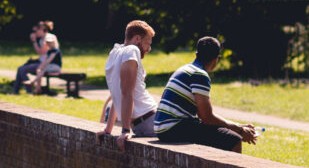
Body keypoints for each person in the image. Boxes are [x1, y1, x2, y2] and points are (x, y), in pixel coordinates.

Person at [153, 36, 258, 152]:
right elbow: (207, 118)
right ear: (217, 59)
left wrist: (237, 126)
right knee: (234, 140)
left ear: (196, 54)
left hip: (163, 127)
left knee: (221, 134)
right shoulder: (199, 75)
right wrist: (240, 131)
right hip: (173, 128)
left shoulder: (185, 69)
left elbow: (205, 117)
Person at [97, 20, 157, 151]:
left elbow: (116, 94)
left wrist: (108, 129)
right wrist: (125, 130)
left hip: (144, 122)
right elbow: (125, 92)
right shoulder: (132, 50)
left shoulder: (115, 52)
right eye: (147, 43)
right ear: (137, 39)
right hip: (150, 120)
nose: (149, 49)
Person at [22, 21, 62, 94]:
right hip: (50, 65)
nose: (49, 43)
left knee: (41, 70)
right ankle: (38, 88)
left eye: (50, 42)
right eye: (48, 42)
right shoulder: (49, 51)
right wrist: (41, 66)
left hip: (55, 66)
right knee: (39, 70)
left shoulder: (55, 51)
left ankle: (33, 83)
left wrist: (42, 66)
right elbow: (46, 59)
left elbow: (48, 60)